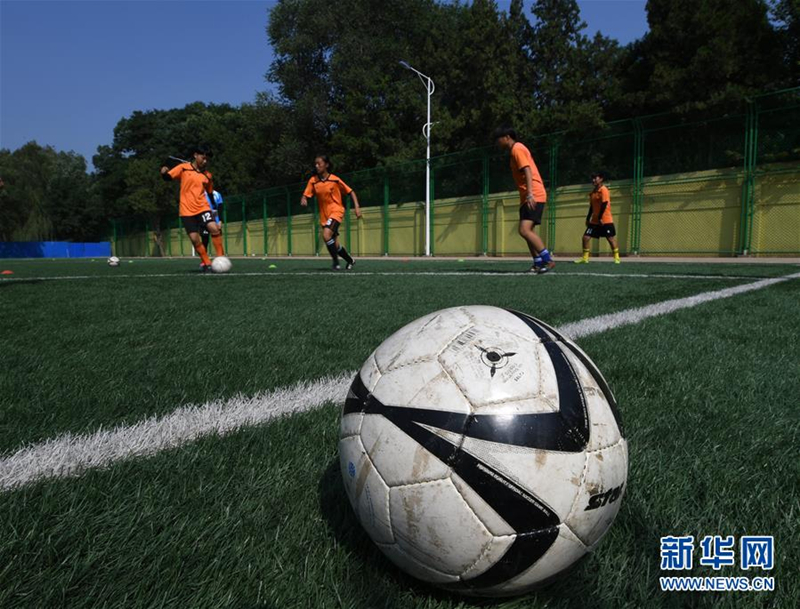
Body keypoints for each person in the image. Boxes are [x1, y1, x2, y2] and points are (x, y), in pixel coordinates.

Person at [493, 127, 555, 274]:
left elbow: (527, 170)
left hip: (534, 194)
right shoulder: (514, 151)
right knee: (528, 231)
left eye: (498, 139)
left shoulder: (517, 149)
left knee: (524, 230)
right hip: (528, 196)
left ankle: (548, 260)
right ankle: (537, 263)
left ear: (507, 137)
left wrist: (530, 194)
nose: (497, 142)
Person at [160, 145, 224, 271]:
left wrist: (217, 217)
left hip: (203, 207)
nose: (205, 162)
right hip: (186, 210)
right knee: (195, 239)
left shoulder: (207, 176)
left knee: (214, 228)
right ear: (195, 155)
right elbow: (167, 178)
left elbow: (210, 195)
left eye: (207, 160)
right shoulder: (183, 168)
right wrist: (163, 171)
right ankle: (206, 263)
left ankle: (221, 258)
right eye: (203, 158)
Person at [300, 155, 362, 270]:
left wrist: (357, 207)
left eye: (319, 163)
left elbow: (351, 191)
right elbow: (306, 194)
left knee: (326, 235)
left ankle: (335, 262)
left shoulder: (335, 179)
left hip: (336, 211)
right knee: (335, 245)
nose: (317, 166)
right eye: (315, 164)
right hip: (324, 215)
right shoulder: (313, 181)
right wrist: (304, 199)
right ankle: (350, 261)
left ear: (326, 165)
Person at [575, 171, 620, 264]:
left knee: (610, 238)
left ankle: (617, 258)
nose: (593, 180)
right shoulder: (592, 193)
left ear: (601, 179)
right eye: (592, 178)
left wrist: (600, 218)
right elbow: (592, 207)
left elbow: (604, 203)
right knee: (585, 238)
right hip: (594, 221)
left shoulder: (604, 190)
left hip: (605, 220)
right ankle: (585, 258)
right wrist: (588, 218)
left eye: (595, 178)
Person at [201, 190, 223, 254]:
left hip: (214, 213)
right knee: (205, 238)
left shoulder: (217, 194)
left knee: (218, 236)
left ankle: (221, 255)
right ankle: (205, 257)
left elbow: (219, 208)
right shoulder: (200, 193)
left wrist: (219, 221)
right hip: (203, 215)